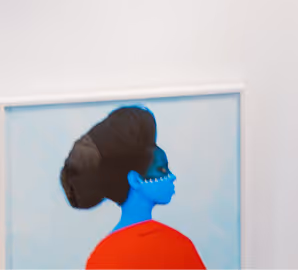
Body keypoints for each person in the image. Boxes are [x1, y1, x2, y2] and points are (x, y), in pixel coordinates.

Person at [60, 106, 206, 268]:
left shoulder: (101, 256)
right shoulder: (177, 246)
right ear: (135, 180)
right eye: (161, 169)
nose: (171, 177)